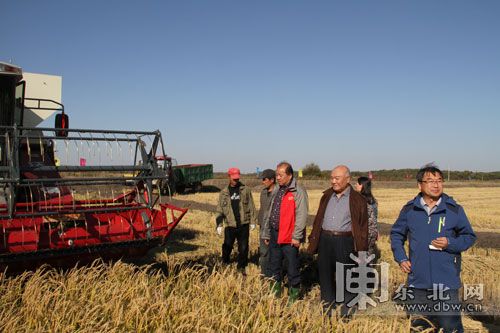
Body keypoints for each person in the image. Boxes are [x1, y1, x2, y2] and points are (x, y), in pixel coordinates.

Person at [391, 164, 476, 333]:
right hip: (418, 282)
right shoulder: (409, 210)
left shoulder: (454, 210)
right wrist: (401, 258)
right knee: (419, 327)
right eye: (430, 181)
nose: (436, 185)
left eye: (439, 181)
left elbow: (469, 237)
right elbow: (396, 235)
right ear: (419, 185)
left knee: (451, 327)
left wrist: (449, 243)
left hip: (446, 282)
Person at [307, 165, 368, 316]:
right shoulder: (327, 196)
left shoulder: (358, 200)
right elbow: (318, 219)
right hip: (325, 239)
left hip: (345, 241)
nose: (333, 181)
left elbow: (363, 227)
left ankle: (346, 311)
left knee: (346, 277)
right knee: (325, 275)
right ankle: (327, 308)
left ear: (347, 179)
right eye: (331, 178)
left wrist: (361, 250)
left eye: (337, 178)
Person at [261, 162, 308, 303]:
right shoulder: (277, 190)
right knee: (274, 263)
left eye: (281, 175)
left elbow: (302, 215)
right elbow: (270, 212)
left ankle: (294, 294)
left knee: (292, 265)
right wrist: (267, 233)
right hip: (275, 233)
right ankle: (275, 291)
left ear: (290, 175)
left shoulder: (298, 192)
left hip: (289, 236)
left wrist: (297, 236)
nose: (278, 177)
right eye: (277, 175)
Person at [215, 167, 257, 274]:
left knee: (243, 247)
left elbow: (251, 206)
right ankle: (225, 261)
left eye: (237, 178)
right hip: (230, 224)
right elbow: (219, 209)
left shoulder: (245, 190)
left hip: (243, 224)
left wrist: (253, 221)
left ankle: (241, 266)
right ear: (228, 177)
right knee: (227, 245)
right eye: (234, 178)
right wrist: (219, 224)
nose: (236, 180)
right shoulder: (223, 193)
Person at [257, 168, 276, 277]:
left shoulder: (279, 193)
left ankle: (274, 275)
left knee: (275, 253)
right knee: (264, 252)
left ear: (272, 180)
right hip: (263, 227)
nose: (263, 181)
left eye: (265, 179)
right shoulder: (263, 193)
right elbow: (262, 210)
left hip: (274, 228)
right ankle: (264, 274)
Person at [354, 176, 378, 257]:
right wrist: (376, 230)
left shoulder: (360, 200)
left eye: (357, 183)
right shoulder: (373, 200)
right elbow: (375, 217)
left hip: (363, 233)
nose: (355, 185)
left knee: (360, 255)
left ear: (362, 185)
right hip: (372, 232)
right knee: (368, 255)